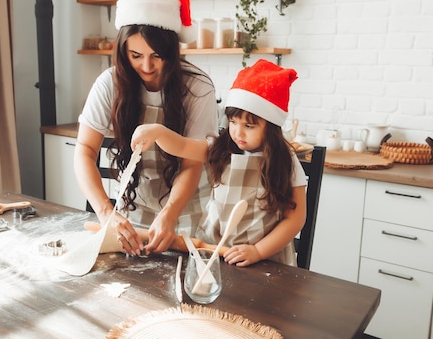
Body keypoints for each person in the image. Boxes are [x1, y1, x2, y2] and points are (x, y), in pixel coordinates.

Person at [74, 0, 218, 256]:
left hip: (186, 215)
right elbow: (85, 150)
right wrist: (105, 212)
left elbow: (192, 164)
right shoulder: (109, 84)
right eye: (136, 55)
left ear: (171, 52)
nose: (147, 66)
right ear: (123, 50)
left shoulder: (198, 88)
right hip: (132, 214)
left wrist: (169, 214)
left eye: (156, 56)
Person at [131, 59, 307, 267]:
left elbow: (295, 219)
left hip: (263, 259)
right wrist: (157, 132)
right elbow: (183, 147)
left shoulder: (286, 162)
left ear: (271, 127)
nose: (237, 132)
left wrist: (258, 251)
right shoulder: (221, 149)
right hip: (213, 250)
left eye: (249, 126)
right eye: (233, 122)